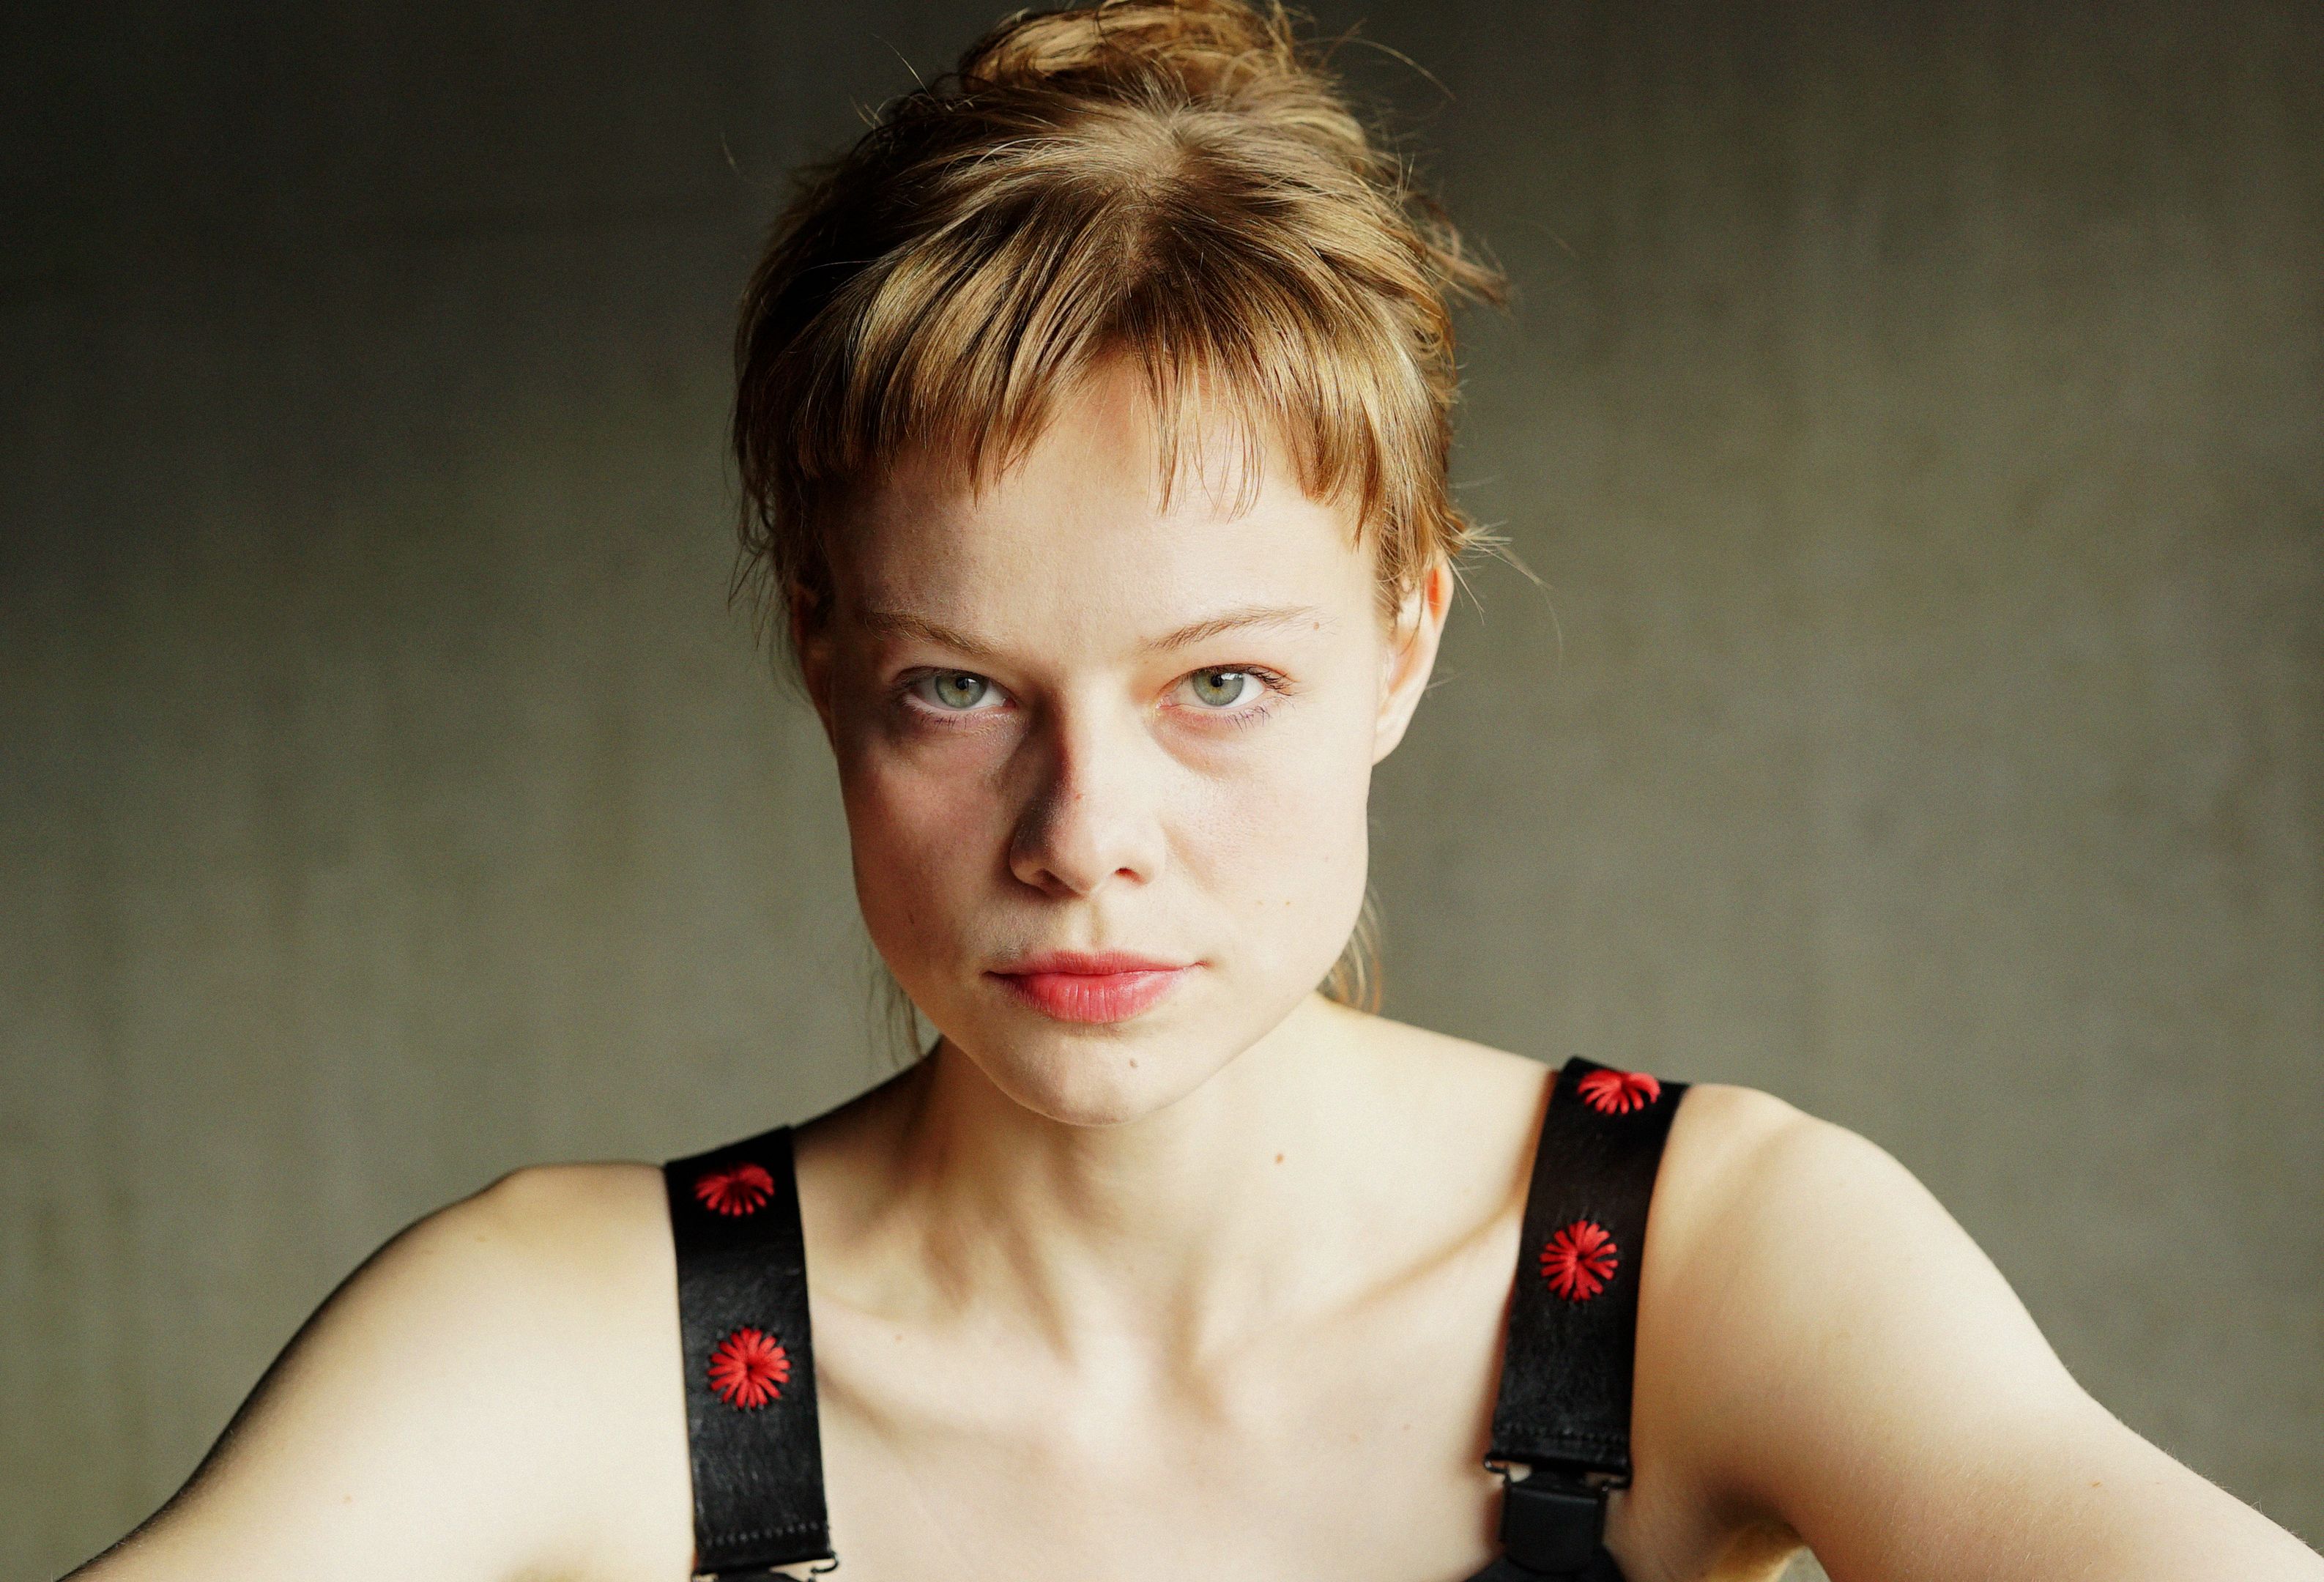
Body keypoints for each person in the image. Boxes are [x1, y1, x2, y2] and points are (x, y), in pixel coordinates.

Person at [69, 3, 2321, 1580]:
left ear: (1404, 643)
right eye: (959, 688)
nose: (1085, 836)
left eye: (1221, 682)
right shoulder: (567, 1333)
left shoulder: (1702, 1260)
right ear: (822, 661)